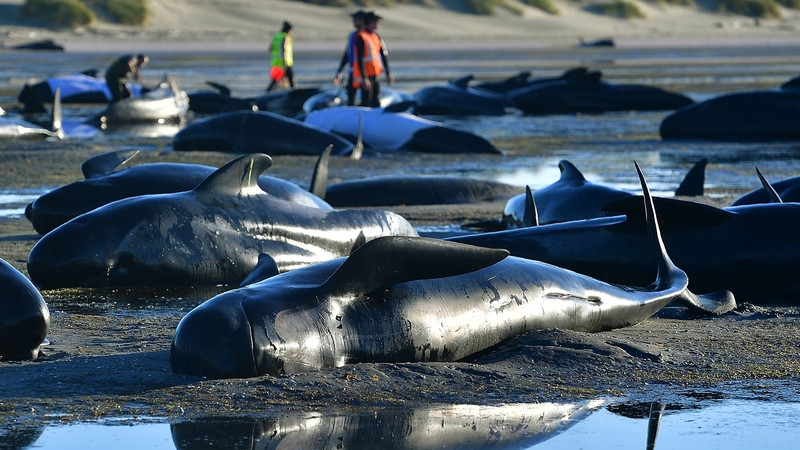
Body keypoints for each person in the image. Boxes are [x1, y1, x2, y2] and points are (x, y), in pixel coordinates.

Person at [333, 10, 366, 106]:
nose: (354, 21)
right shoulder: (352, 36)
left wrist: (364, 77)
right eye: (354, 19)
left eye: (357, 19)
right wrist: (339, 71)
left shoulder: (366, 36)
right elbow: (347, 55)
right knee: (351, 97)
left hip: (366, 74)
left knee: (366, 100)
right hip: (353, 73)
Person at [267, 21, 295, 91]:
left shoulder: (277, 36)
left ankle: (266, 93)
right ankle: (295, 94)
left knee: (275, 80)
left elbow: (270, 49)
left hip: (275, 62)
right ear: (288, 30)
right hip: (285, 63)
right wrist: (284, 60)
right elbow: (283, 48)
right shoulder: (285, 37)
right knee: (291, 79)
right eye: (291, 30)